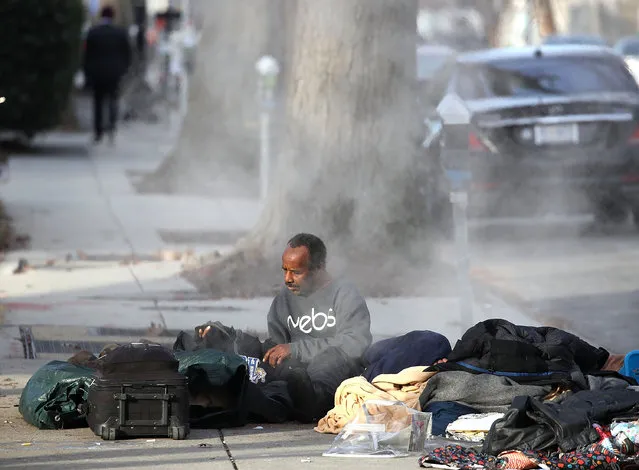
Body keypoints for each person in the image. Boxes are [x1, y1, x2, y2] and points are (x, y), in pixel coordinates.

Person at [199, 233, 373, 423]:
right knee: (254, 351)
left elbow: (356, 343)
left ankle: (310, 403)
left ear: (319, 268)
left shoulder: (344, 293)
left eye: (296, 272)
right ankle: (282, 394)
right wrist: (228, 338)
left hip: (332, 370)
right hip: (295, 371)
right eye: (285, 271)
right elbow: (276, 345)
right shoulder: (284, 298)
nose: (288, 279)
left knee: (328, 360)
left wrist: (296, 349)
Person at [83, 6, 132, 145]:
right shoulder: (120, 33)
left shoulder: (93, 33)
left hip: (97, 72)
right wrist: (124, 69)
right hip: (115, 73)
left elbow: (87, 55)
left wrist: (87, 72)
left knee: (98, 103)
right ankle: (111, 128)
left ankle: (98, 132)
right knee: (113, 100)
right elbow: (127, 53)